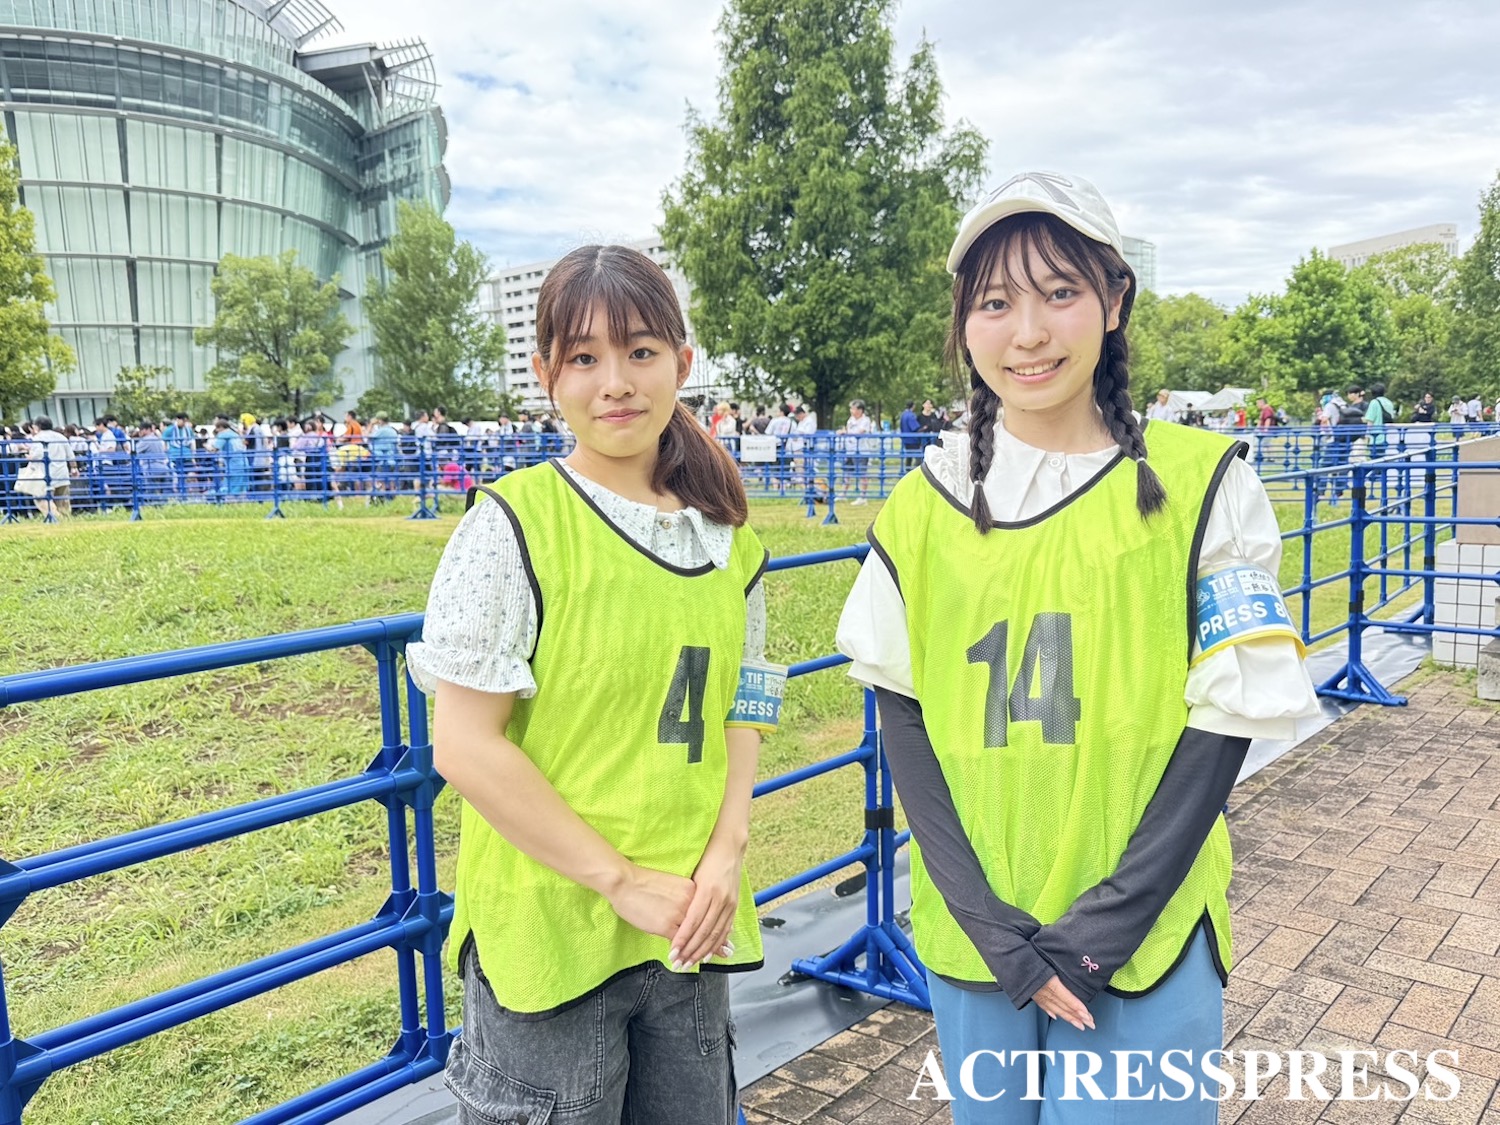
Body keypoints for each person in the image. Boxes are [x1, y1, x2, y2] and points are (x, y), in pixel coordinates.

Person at [836, 171, 1318, 1122]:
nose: (1028, 332)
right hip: (979, 943)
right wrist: (990, 926)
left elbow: (1221, 723)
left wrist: (1104, 930)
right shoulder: (923, 502)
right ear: (965, 323)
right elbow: (902, 709)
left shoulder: (1204, 484)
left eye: (1060, 292)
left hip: (1145, 938)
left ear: (1115, 299)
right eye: (995, 302)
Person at [407, 244, 781, 1125]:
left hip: (690, 923)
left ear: (682, 365)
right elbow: (463, 744)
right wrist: (618, 879)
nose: (615, 381)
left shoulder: (733, 541)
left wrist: (725, 854)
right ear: (547, 375)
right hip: (553, 936)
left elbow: (747, 699)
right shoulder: (513, 524)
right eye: (584, 358)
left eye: (642, 352)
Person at [1364, 382, 1397, 458]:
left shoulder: (1374, 402)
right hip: (1387, 435)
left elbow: (1370, 420)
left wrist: (1367, 435)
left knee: (1375, 460)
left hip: (1376, 436)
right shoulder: (1389, 402)